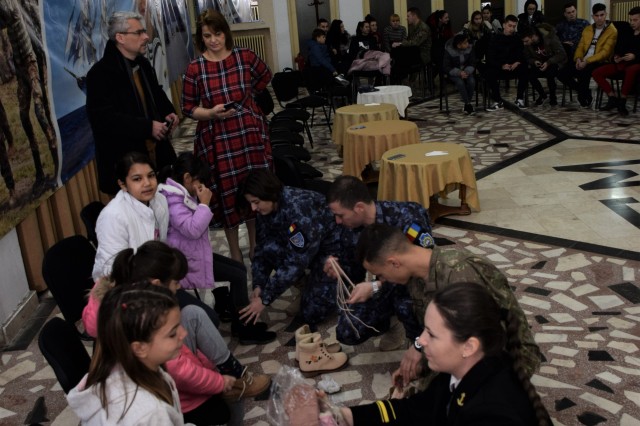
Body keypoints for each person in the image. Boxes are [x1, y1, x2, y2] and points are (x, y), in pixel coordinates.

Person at [286, 283, 551, 426]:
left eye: (431, 334)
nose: (420, 341)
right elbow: (416, 411)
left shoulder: (494, 413)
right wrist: (342, 415)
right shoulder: (465, 372)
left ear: (468, 346)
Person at [82, 242, 272, 420]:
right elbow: (180, 369)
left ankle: (234, 371)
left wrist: (211, 368)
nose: (179, 286)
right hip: (175, 400)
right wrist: (219, 382)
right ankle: (235, 381)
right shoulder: (142, 320)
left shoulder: (127, 300)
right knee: (232, 401)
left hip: (161, 383)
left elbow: (182, 359)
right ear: (157, 284)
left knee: (193, 314)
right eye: (175, 282)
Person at [352, 224, 541, 389]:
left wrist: (421, 352)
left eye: (380, 274)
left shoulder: (459, 273)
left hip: (502, 356)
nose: (382, 280)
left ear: (394, 263)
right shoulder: (416, 278)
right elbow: (439, 332)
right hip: (464, 349)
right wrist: (421, 360)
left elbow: (482, 343)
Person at [182, 9, 272, 263]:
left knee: (253, 187)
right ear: (201, 38)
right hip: (217, 139)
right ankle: (235, 252)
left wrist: (248, 99)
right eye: (207, 36)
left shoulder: (245, 56)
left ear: (226, 33)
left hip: (248, 135)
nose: (214, 40)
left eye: (218, 34)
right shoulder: (195, 68)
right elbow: (187, 107)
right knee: (226, 195)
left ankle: (255, 246)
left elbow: (265, 75)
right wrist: (210, 113)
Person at [158, 152, 276, 344]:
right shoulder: (173, 201)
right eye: (200, 181)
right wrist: (204, 204)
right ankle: (245, 330)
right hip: (185, 264)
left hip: (193, 255)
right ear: (187, 178)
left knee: (239, 270)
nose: (203, 186)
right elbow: (193, 229)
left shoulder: (180, 195)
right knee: (237, 275)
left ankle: (241, 324)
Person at [91, 152, 218, 326]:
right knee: (203, 320)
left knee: (207, 318)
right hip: (129, 296)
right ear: (122, 184)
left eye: (151, 176)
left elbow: (160, 244)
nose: (147, 183)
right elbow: (112, 272)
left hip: (158, 283)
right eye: (137, 179)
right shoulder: (113, 216)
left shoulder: (159, 201)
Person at [324, 175, 432, 349]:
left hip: (411, 284)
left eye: (340, 215)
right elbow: (348, 262)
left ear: (359, 208)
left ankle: (417, 342)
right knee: (347, 331)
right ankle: (391, 322)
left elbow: (423, 268)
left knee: (405, 305)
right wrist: (337, 266)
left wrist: (375, 286)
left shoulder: (408, 218)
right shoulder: (348, 226)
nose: (337, 220)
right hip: (381, 282)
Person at [68, 284, 190, 425]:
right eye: (172, 334)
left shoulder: (117, 369)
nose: (184, 333)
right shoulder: (150, 414)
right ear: (139, 348)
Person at [86, 11, 178, 196]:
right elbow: (104, 120)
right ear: (120, 38)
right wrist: (147, 127)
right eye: (139, 32)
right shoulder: (100, 74)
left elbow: (156, 93)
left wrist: (168, 111)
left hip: (155, 156)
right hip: (126, 165)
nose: (146, 37)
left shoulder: (143, 64)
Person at [235, 169, 340, 330]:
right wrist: (259, 285)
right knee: (271, 249)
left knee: (311, 313)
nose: (253, 208)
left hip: (334, 252)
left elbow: (296, 261)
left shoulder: (298, 207)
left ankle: (341, 283)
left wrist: (265, 299)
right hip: (310, 250)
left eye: (256, 202)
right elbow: (262, 250)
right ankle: (307, 285)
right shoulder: (267, 207)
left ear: (268, 193)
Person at [0, 0, 59, 195]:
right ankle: (39, 172)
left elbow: (7, 12)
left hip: (30, 62)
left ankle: (57, 164)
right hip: (20, 69)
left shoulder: (11, 5)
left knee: (40, 113)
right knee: (24, 117)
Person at [558, 3, 618, 108]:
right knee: (561, 73)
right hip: (584, 59)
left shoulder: (612, 31)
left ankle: (583, 96)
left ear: (606, 14)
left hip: (599, 61)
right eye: (596, 15)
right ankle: (584, 91)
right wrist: (578, 58)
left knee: (583, 71)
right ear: (592, 16)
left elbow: (605, 53)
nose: (599, 18)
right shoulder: (588, 29)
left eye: (602, 15)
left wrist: (586, 61)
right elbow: (580, 47)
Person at [592, 7, 640, 115]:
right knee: (596, 73)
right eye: (631, 20)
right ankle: (612, 98)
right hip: (623, 63)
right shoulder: (627, 31)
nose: (632, 23)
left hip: (637, 63)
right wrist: (617, 56)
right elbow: (619, 47)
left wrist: (635, 56)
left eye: (635, 20)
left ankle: (622, 101)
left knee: (631, 70)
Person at [485, 15, 529, 111]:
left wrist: (517, 62)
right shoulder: (495, 39)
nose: (512, 29)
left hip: (513, 67)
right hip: (500, 67)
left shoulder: (517, 38)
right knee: (489, 71)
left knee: (525, 68)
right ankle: (498, 100)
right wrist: (501, 65)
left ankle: (519, 99)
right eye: (510, 26)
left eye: (514, 26)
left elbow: (521, 54)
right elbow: (491, 57)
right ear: (504, 25)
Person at [521, 24, 567, 106]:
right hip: (540, 63)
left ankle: (553, 97)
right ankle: (542, 95)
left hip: (554, 62)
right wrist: (534, 61)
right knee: (529, 75)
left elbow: (562, 54)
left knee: (550, 74)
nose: (525, 44)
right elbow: (527, 57)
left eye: (526, 41)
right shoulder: (528, 45)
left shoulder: (550, 38)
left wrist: (548, 62)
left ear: (533, 36)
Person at [391, 8, 432, 83]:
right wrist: (400, 44)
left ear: (414, 16)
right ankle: (401, 82)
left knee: (400, 62)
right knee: (397, 57)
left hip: (422, 55)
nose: (407, 18)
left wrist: (400, 43)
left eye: (408, 16)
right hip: (414, 52)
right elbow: (409, 40)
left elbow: (415, 43)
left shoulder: (424, 28)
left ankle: (405, 82)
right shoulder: (412, 26)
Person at [443, 33, 477, 115]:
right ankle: (468, 104)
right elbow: (446, 66)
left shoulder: (470, 48)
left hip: (467, 71)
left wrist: (467, 71)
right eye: (465, 43)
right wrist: (459, 72)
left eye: (467, 42)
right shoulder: (449, 51)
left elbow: (473, 62)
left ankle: (467, 104)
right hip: (454, 73)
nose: (467, 44)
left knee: (472, 81)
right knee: (460, 82)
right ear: (459, 45)